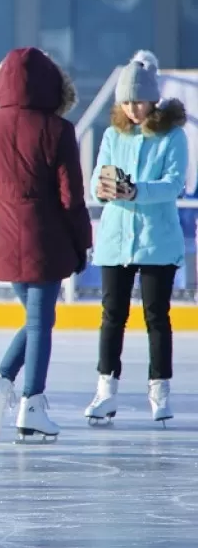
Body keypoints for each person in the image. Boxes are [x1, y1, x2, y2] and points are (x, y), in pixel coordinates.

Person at [0, 47, 92, 443]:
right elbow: (71, 196)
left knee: (39, 319)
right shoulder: (57, 130)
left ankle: (0, 384)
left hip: (4, 233)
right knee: (40, 321)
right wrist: (81, 241)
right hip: (47, 236)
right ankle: (31, 404)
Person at [83, 51, 187, 426]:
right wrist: (107, 188)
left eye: (138, 101)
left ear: (153, 98)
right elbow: (97, 181)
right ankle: (105, 390)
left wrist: (136, 190)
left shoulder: (173, 136)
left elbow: (174, 184)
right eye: (126, 102)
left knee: (156, 317)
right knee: (112, 317)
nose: (132, 109)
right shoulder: (113, 134)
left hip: (156, 240)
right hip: (115, 241)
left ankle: (160, 392)